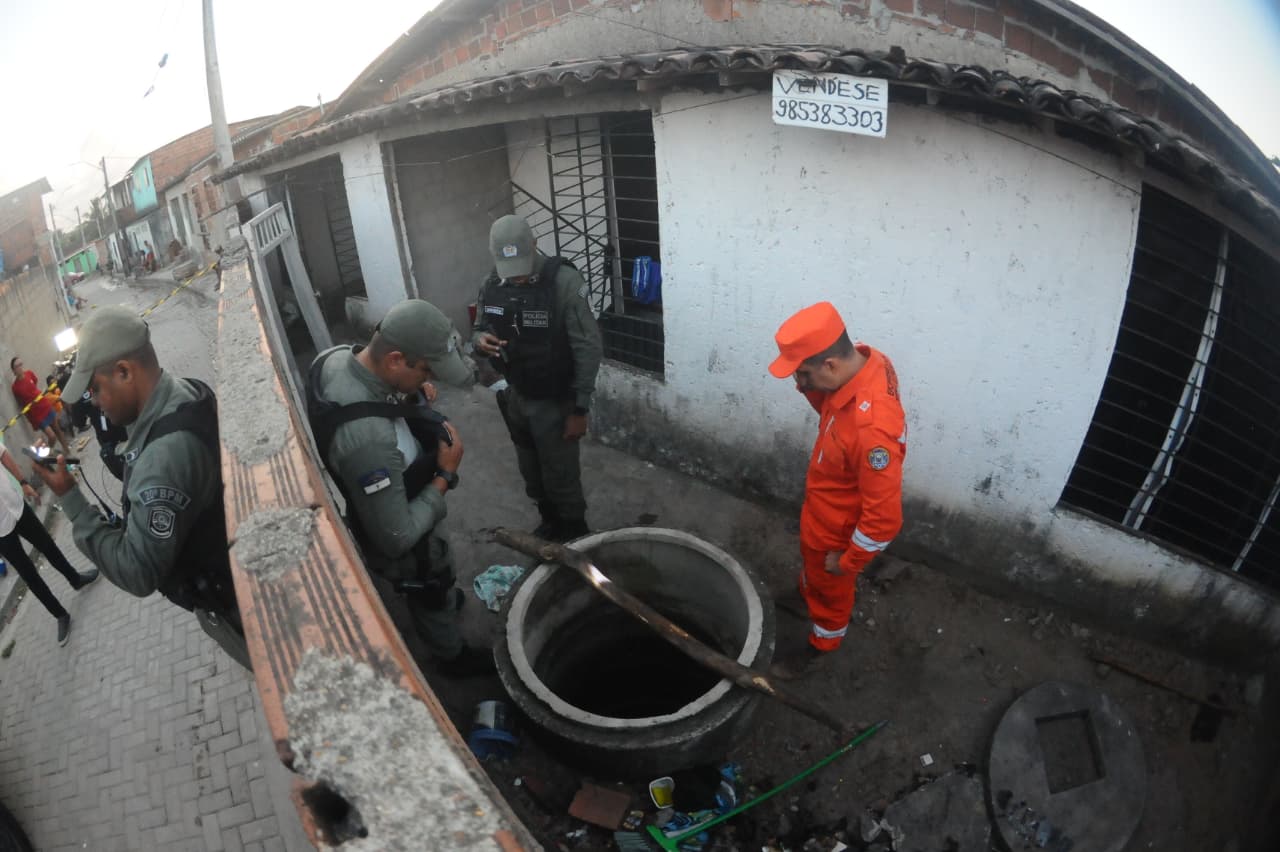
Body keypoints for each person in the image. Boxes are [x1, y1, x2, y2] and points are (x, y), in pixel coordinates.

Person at [31, 307, 250, 670]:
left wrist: (70, 497)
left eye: (95, 390)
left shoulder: (160, 462)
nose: (96, 403)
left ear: (124, 372)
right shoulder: (184, 390)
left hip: (238, 607)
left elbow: (137, 571)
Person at [308, 299, 492, 677]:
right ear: (395, 360)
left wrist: (415, 387)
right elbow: (397, 535)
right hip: (405, 532)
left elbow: (388, 388)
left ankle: (443, 600)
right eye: (426, 369)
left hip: (391, 485)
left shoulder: (337, 356)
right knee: (429, 585)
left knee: (439, 592)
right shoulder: (368, 441)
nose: (432, 379)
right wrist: (445, 475)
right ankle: (451, 657)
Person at [767, 302, 907, 679]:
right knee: (814, 572)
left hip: (835, 534)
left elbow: (884, 520)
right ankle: (804, 591)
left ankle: (821, 644)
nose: (800, 383)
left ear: (830, 365)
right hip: (821, 510)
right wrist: (810, 386)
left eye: (804, 375)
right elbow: (831, 407)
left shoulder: (872, 431)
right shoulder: (865, 361)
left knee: (831, 591)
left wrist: (848, 561)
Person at [471, 214, 602, 541]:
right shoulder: (492, 283)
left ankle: (575, 536)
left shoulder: (564, 282)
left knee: (562, 477)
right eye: (508, 271)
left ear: (534, 244)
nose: (515, 279)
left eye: (521, 268)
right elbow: (479, 328)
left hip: (556, 403)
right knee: (531, 472)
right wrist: (480, 341)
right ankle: (549, 522)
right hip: (516, 396)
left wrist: (580, 409)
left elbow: (588, 347)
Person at [0, 438, 99, 645]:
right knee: (28, 573)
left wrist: (23, 483)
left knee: (47, 544)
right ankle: (59, 614)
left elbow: (3, 454)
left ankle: (75, 579)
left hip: (15, 505)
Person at [10, 356, 71, 457]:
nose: (20, 367)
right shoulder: (15, 387)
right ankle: (46, 454)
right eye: (17, 366)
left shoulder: (29, 373)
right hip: (37, 415)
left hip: (45, 405)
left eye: (21, 364)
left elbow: (34, 382)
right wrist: (30, 419)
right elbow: (22, 405)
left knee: (57, 430)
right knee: (52, 436)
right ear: (13, 370)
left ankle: (67, 452)